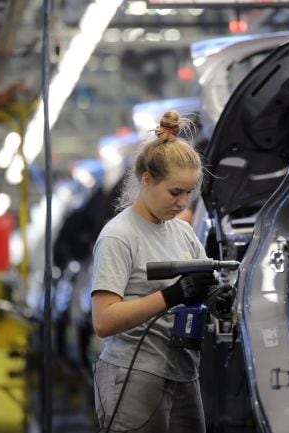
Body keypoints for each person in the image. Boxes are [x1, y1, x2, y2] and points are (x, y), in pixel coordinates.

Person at [90, 111, 217, 433]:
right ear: (147, 179)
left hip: (183, 372)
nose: (182, 202)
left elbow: (198, 288)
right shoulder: (120, 235)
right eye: (175, 192)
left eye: (189, 193)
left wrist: (216, 296)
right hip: (134, 375)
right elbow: (104, 321)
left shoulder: (182, 232)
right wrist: (172, 295)